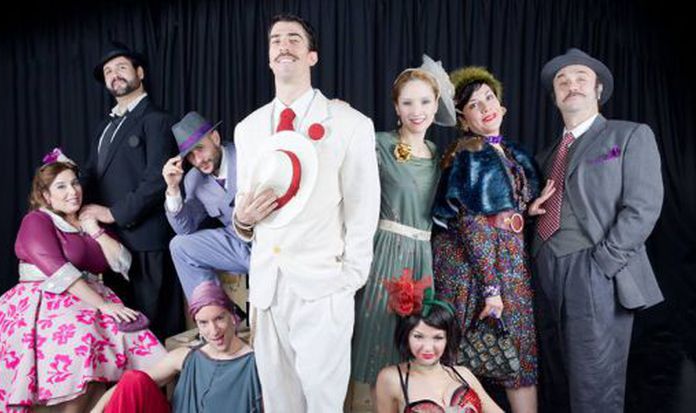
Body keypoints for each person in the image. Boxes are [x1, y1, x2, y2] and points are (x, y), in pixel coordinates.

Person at [231, 13, 380, 411]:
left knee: (323, 401)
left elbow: (363, 207)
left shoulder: (350, 124)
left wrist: (349, 279)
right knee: (278, 400)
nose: (284, 45)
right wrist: (242, 221)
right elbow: (244, 207)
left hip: (323, 285)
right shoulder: (247, 129)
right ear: (268, 58)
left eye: (294, 39)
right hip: (267, 287)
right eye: (276, 39)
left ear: (312, 56)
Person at [0, 149, 165, 412]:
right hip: (46, 299)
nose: (72, 191)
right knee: (82, 342)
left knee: (113, 355)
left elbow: (121, 262)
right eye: (61, 186)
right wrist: (103, 305)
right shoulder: (37, 221)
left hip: (89, 299)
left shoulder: (86, 222)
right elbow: (59, 271)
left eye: (75, 183)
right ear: (46, 196)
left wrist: (95, 230)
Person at [532, 48, 664, 413]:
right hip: (544, 270)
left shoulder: (629, 135)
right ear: (555, 96)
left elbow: (643, 206)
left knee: (595, 385)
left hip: (595, 269)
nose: (571, 85)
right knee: (555, 382)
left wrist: (604, 263)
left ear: (598, 89)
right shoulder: (544, 156)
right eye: (562, 81)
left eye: (581, 78)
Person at [431, 67, 551, 413]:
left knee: (520, 359)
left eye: (489, 98)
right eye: (473, 104)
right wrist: (491, 289)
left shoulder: (512, 152)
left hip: (510, 259)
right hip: (470, 267)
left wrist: (526, 211)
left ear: (502, 106)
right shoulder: (468, 154)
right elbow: (473, 225)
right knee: (461, 362)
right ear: (463, 119)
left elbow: (504, 205)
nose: (485, 107)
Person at [352, 55, 455, 386]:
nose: (416, 110)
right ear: (396, 107)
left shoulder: (439, 154)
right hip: (385, 253)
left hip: (423, 257)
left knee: (415, 339)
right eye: (407, 102)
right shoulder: (379, 144)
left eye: (424, 101)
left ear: (436, 104)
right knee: (375, 333)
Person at [80, 41, 184, 340]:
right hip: (112, 244)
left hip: (148, 242)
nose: (114, 75)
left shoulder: (157, 120)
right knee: (124, 330)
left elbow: (157, 180)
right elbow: (92, 173)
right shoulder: (104, 126)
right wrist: (66, 195)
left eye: (121, 67)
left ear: (140, 73)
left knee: (156, 330)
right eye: (108, 72)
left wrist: (113, 213)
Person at [90, 281, 262, 413]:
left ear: (232, 316)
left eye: (219, 318)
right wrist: (96, 410)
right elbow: (126, 387)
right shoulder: (186, 356)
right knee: (133, 379)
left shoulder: (256, 362)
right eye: (204, 323)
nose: (214, 330)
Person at [374, 273, 503, 413]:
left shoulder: (463, 375)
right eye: (418, 336)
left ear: (448, 339)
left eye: (437, 338)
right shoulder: (391, 378)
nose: (427, 347)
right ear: (406, 336)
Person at [162, 111, 250, 306]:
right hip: (239, 247)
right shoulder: (193, 179)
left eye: (200, 149)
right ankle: (212, 314)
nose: (198, 160)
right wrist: (173, 188)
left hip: (272, 242)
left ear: (215, 138)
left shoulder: (246, 154)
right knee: (179, 246)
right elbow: (184, 228)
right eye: (190, 156)